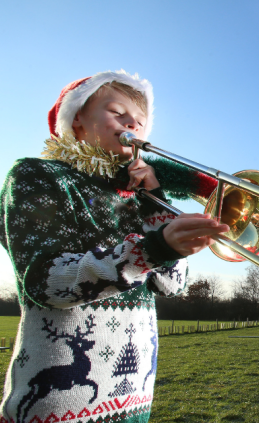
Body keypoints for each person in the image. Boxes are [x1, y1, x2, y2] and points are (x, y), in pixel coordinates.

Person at [0, 70, 228, 423]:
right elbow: (45, 282)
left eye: (139, 121)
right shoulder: (36, 175)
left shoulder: (139, 195)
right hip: (57, 410)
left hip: (133, 402)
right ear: (76, 119)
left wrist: (155, 199)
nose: (131, 125)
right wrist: (150, 250)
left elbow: (172, 283)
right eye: (117, 112)